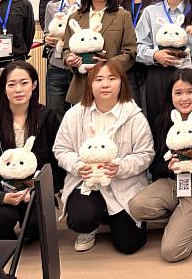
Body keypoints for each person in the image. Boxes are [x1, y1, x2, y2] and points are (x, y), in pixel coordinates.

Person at [53, 60, 154, 254]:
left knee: (130, 244)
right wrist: (78, 165)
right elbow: (61, 149)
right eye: (99, 79)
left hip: (123, 184)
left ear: (121, 83)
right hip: (87, 183)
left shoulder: (134, 116)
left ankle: (110, 216)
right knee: (81, 219)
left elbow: (146, 154)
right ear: (90, 84)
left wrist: (120, 167)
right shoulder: (75, 114)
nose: (105, 84)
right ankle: (90, 227)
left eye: (112, 79)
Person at [128, 70, 192, 262]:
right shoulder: (162, 121)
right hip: (171, 183)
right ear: (170, 95)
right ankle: (183, 216)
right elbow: (155, 164)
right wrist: (168, 167)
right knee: (136, 206)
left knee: (171, 252)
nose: (184, 98)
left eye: (190, 92)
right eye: (178, 93)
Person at [0, 61, 63, 240]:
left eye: (24, 83)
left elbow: (58, 160)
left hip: (34, 190)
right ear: (4, 89)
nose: (18, 90)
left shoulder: (48, 118)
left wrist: (39, 186)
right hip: (1, 189)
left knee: (36, 227)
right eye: (11, 84)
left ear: (34, 85)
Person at [62, 0, 137, 105]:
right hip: (82, 85)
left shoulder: (123, 16)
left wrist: (107, 64)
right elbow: (66, 49)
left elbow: (130, 52)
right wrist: (69, 59)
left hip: (112, 84)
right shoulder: (75, 17)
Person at [42, 0, 87, 119]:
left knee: (82, 115)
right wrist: (47, 38)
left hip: (81, 66)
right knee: (56, 115)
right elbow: (47, 32)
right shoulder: (52, 6)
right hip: (57, 66)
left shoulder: (89, 6)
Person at [118, 0, 159, 109]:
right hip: (127, 63)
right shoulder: (120, 1)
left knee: (151, 106)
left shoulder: (159, 1)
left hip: (150, 63)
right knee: (131, 107)